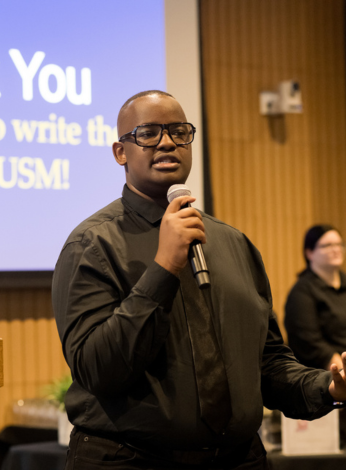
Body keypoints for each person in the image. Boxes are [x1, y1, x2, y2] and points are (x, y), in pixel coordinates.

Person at [52, 90, 346, 470]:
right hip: (130, 459)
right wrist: (163, 268)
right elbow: (97, 369)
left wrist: (329, 387)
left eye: (178, 131)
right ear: (120, 152)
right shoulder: (91, 245)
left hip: (240, 459)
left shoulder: (233, 243)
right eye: (148, 133)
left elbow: (268, 364)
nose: (167, 142)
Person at [285, 224, 346, 370]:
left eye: (339, 244)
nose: (336, 249)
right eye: (327, 245)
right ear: (309, 253)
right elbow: (310, 343)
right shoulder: (301, 292)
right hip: (326, 374)